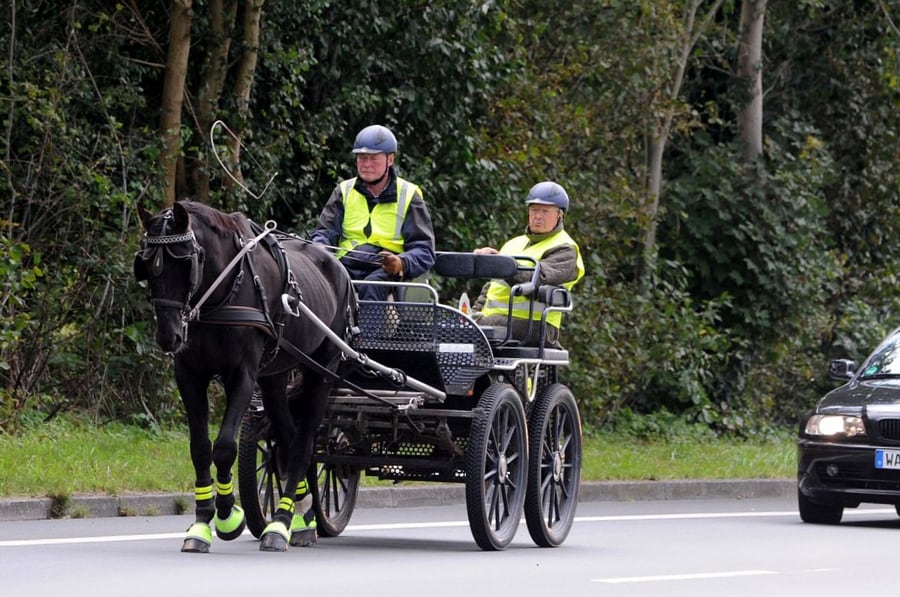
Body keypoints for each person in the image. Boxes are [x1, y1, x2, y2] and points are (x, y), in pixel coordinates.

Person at [311, 124, 436, 301]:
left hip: (385, 270)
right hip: (347, 264)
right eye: (362, 158)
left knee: (372, 286)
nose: (367, 164)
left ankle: (369, 330)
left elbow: (424, 250)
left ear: (390, 159)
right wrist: (320, 247)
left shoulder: (409, 195)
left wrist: (401, 263)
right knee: (318, 285)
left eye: (374, 158)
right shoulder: (344, 190)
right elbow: (325, 232)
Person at [471, 181, 584, 348]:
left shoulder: (565, 248)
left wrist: (501, 265)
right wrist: (472, 314)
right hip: (498, 321)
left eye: (545, 211)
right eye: (534, 210)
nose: (538, 216)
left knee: (479, 327)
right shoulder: (513, 244)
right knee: (455, 325)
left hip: (537, 324)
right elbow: (491, 287)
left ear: (560, 215)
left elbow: (538, 280)